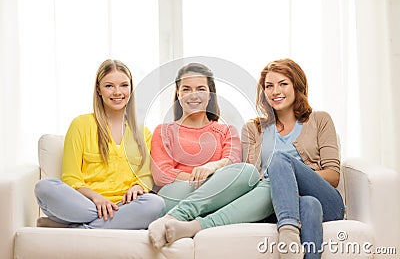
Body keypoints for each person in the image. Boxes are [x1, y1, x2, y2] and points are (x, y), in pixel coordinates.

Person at [148, 63, 274, 249]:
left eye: (200, 88)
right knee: (243, 175)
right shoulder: (164, 131)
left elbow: (233, 163)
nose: (193, 94)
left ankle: (191, 227)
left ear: (210, 93)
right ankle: (173, 216)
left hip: (217, 198)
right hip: (176, 196)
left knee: (265, 184)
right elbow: (162, 174)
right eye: (186, 89)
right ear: (178, 94)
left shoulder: (226, 131)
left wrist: (211, 168)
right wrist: (208, 181)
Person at [34, 59, 165, 229]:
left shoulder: (143, 133)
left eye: (124, 85)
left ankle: (80, 228)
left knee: (156, 204)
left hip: (125, 206)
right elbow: (71, 178)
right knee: (44, 187)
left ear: (131, 88)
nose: (117, 92)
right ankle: (112, 223)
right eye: (109, 86)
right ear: (99, 89)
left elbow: (145, 176)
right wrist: (96, 198)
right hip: (85, 203)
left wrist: (137, 186)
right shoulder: (80, 124)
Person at [242, 58, 345, 258]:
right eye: (269, 86)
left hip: (327, 202)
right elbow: (249, 178)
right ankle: (289, 237)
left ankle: (288, 228)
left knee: (279, 160)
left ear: (297, 86)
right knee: (308, 205)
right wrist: (284, 192)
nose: (275, 91)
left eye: (283, 84)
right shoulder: (252, 128)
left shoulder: (320, 120)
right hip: (274, 205)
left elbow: (333, 175)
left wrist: (289, 183)